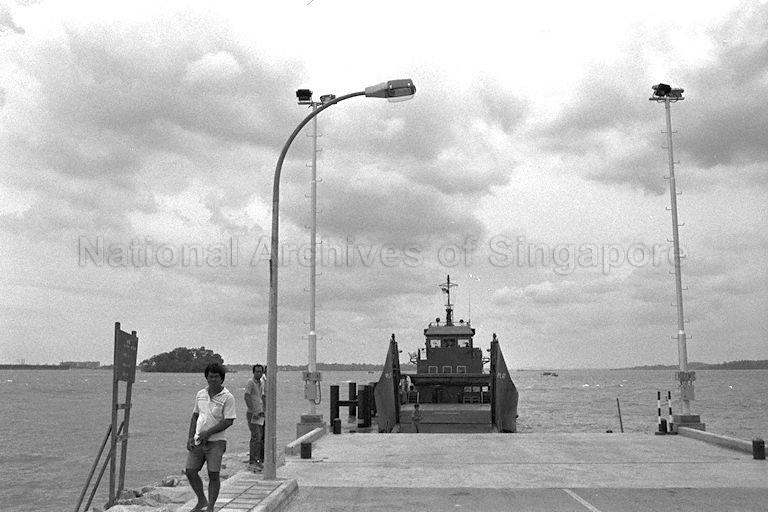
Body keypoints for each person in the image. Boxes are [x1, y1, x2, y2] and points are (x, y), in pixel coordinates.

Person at [185, 363, 236, 512]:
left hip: (217, 442)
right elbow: (195, 416)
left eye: (216, 376)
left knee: (213, 474)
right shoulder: (200, 394)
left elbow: (229, 421)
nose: (212, 379)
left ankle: (211, 507)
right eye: (210, 376)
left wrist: (209, 433)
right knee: (190, 471)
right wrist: (190, 437)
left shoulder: (228, 397)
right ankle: (201, 500)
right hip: (198, 440)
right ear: (206, 377)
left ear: (222, 379)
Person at [244, 363, 266, 471]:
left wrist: (263, 410)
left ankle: (258, 459)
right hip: (252, 413)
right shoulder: (250, 383)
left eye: (260, 371)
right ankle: (253, 461)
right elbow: (247, 396)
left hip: (260, 412)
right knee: (255, 436)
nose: (259, 373)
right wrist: (252, 410)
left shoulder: (261, 383)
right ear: (253, 372)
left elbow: (261, 396)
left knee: (260, 437)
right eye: (257, 371)